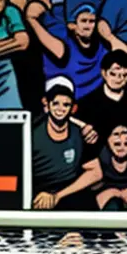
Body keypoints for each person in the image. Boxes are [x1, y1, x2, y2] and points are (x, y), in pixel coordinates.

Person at [74, 49, 127, 149]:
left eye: (124, 75)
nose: (118, 79)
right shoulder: (86, 104)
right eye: (113, 74)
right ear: (103, 73)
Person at [30, 76, 88, 209]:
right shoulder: (32, 132)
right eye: (56, 103)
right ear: (47, 104)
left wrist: (58, 195)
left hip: (69, 192)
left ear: (72, 108)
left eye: (66, 104)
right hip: (39, 191)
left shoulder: (79, 133)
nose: (60, 109)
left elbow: (95, 172)